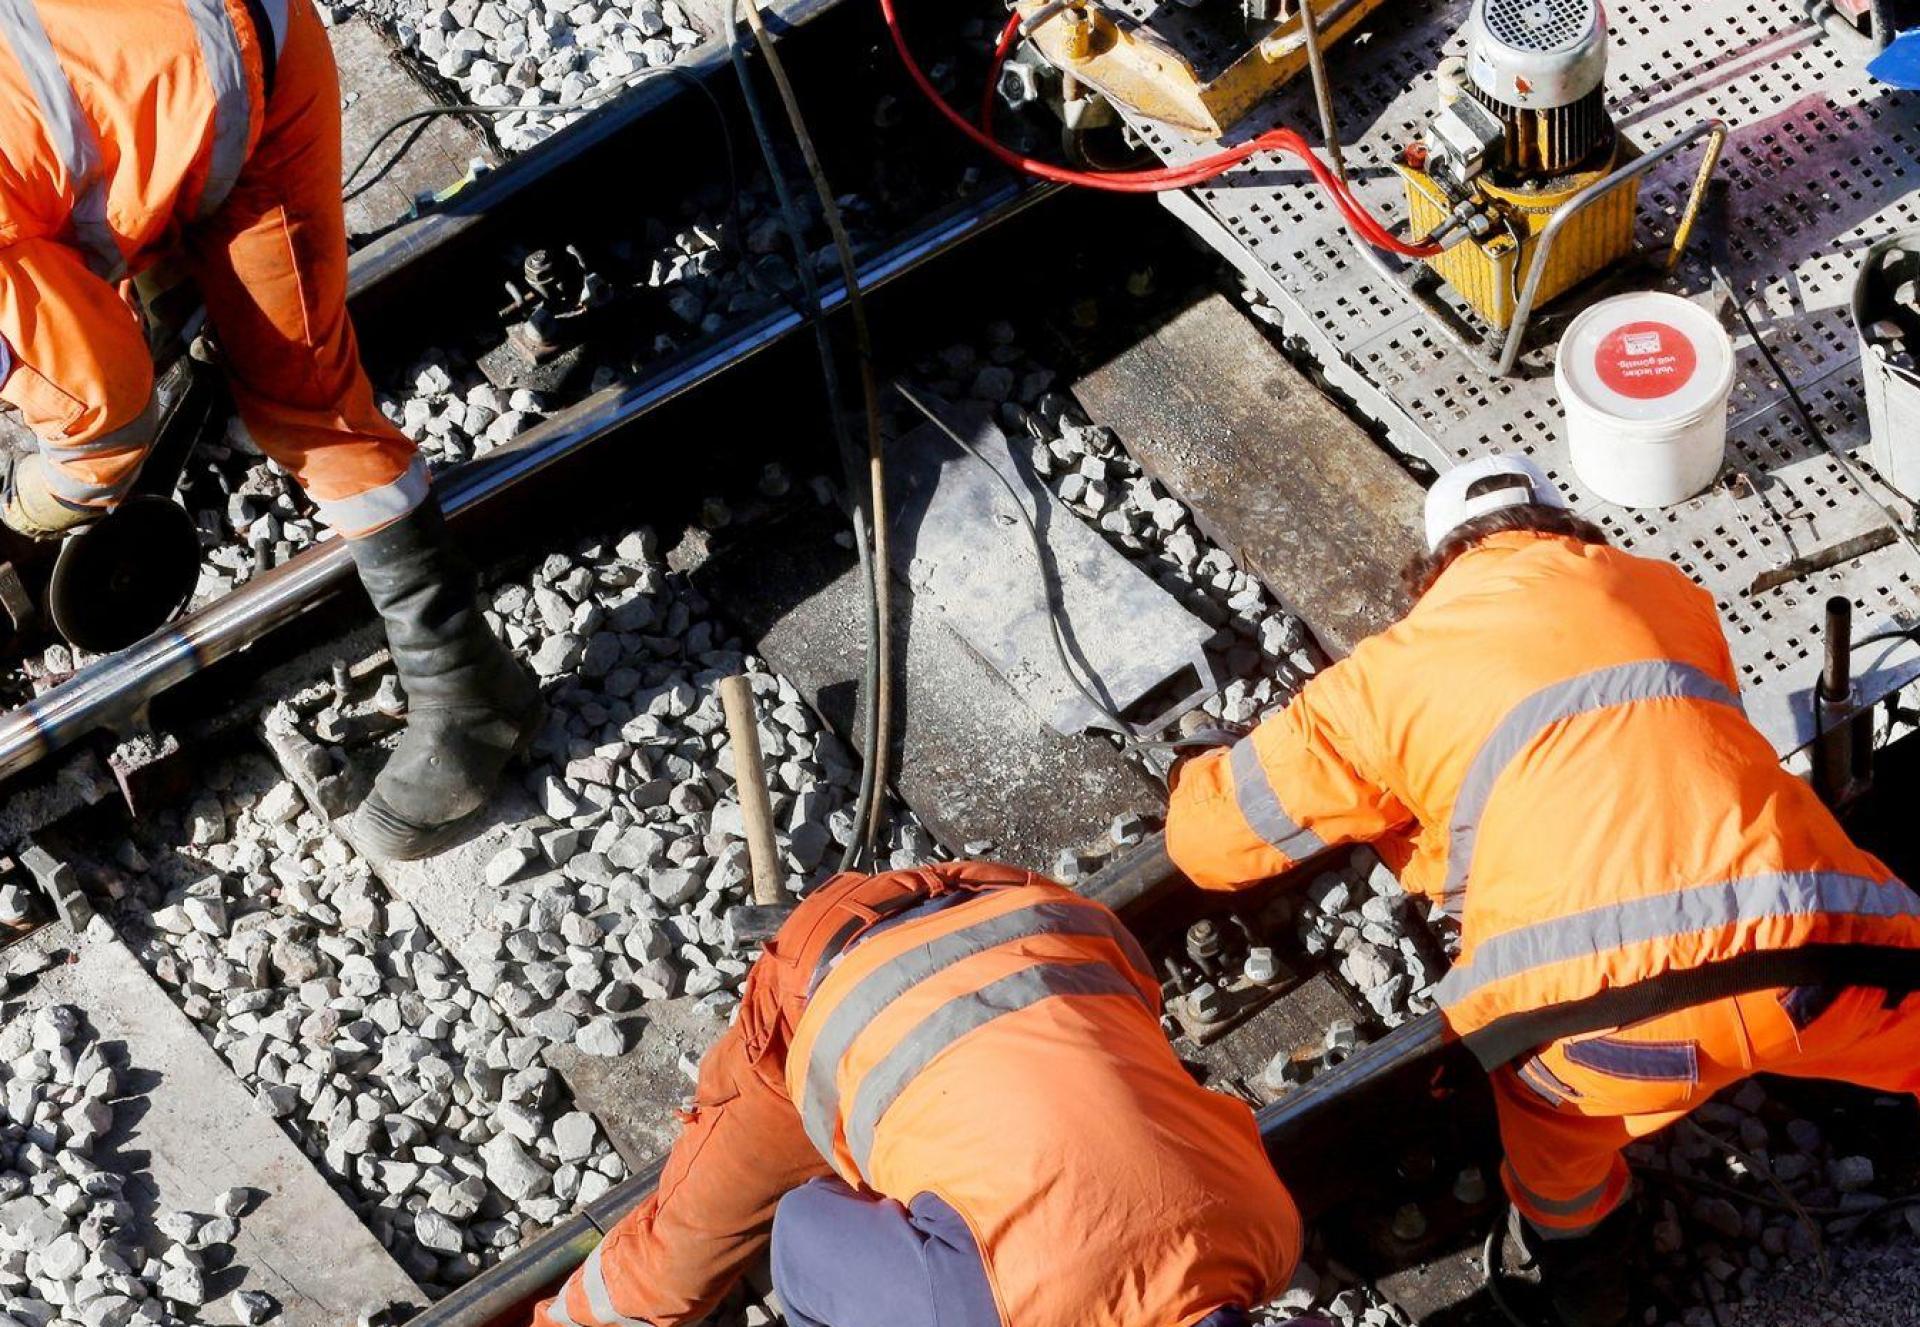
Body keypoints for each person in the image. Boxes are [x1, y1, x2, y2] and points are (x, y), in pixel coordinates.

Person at [1163, 454, 1920, 1327]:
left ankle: (1591, 1281)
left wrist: (1225, 777)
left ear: (1433, 572)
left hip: (1593, 1026)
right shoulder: (1665, 590)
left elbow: (1206, 844)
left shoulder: (1387, 675)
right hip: (1822, 950)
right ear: (1565, 528)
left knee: (1558, 1161)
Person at [0, 0, 536, 859]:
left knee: (308, 407)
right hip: (150, 53)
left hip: (252, 79)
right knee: (91, 233)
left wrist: (33, 501)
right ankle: (191, 298)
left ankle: (470, 687)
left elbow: (107, 416)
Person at [532, 860, 1304, 1327]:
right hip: (831, 985)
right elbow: (801, 1224)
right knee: (681, 1252)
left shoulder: (1272, 1236)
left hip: (1039, 916)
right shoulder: (985, 1311)